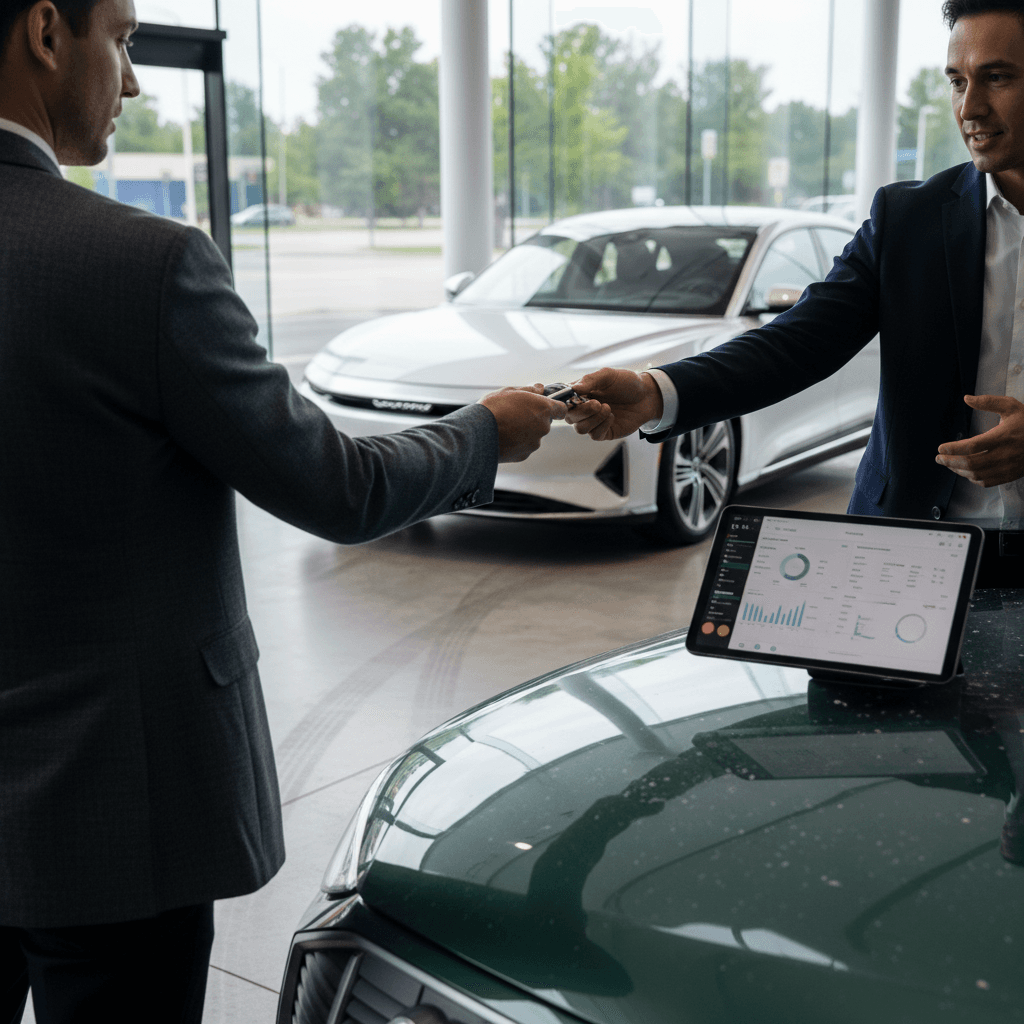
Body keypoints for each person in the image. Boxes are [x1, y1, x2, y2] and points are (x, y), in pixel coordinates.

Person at [0, 1, 565, 1021]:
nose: (131, 80)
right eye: (123, 39)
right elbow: (339, 489)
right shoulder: (141, 265)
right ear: (47, 32)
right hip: (117, 819)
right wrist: (484, 431)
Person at [567, 0, 1024, 587]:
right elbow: (799, 342)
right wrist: (655, 392)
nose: (969, 108)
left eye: (998, 77)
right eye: (958, 81)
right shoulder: (908, 219)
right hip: (906, 554)